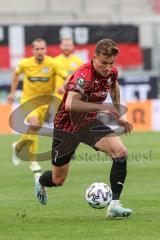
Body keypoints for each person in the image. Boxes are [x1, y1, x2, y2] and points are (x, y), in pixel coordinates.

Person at [35, 38, 133, 218]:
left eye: (111, 63)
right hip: (67, 126)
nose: (107, 67)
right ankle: (40, 180)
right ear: (94, 57)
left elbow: (114, 86)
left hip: (88, 123)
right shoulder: (83, 75)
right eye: (103, 63)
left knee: (120, 152)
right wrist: (103, 108)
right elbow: (71, 104)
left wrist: (119, 113)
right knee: (58, 180)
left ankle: (114, 205)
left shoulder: (111, 72)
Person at [7, 38, 67, 177]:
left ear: (45, 50)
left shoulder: (53, 63)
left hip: (45, 103)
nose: (40, 51)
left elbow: (66, 76)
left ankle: (18, 146)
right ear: (32, 50)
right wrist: (12, 93)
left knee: (33, 129)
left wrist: (62, 86)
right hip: (28, 100)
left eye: (42, 49)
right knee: (33, 124)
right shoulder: (25, 63)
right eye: (37, 49)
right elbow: (15, 74)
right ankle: (32, 161)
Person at [52, 37, 83, 115]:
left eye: (68, 45)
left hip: (72, 97)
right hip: (58, 97)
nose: (66, 47)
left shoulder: (78, 62)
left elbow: (81, 80)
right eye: (65, 45)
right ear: (60, 46)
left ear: (73, 46)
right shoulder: (54, 61)